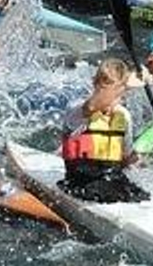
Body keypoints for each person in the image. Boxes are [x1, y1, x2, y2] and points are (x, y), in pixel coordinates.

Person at [60, 58, 148, 203]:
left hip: (112, 177)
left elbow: (125, 157)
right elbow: (90, 107)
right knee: (109, 191)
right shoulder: (78, 111)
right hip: (80, 181)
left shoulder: (124, 116)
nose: (115, 101)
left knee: (140, 195)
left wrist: (136, 158)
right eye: (114, 94)